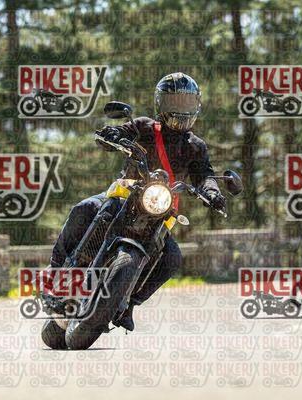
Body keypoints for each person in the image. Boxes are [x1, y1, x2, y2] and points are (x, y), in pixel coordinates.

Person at [50, 73, 225, 331]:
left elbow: (205, 175)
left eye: (186, 102)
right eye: (174, 101)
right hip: (125, 195)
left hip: (159, 211)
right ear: (161, 104)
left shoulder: (195, 146)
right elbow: (119, 133)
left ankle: (129, 303)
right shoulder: (144, 127)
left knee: (172, 257)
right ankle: (55, 272)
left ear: (196, 105)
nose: (181, 109)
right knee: (85, 209)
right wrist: (111, 134)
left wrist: (212, 192)